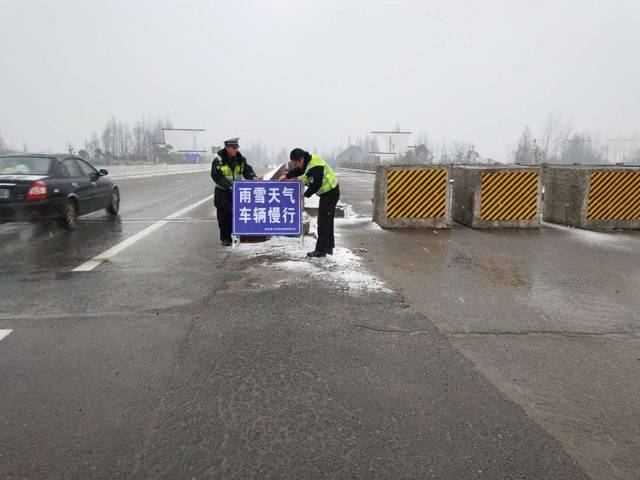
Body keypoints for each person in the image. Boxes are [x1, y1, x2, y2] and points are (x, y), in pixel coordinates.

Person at [280, 148, 339, 258]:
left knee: (323, 222)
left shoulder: (315, 166)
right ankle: (328, 247)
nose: (296, 164)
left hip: (330, 193)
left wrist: (306, 194)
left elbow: (316, 184)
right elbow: (300, 170)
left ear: (301, 159)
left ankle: (321, 251)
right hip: (329, 193)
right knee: (327, 221)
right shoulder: (308, 162)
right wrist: (287, 175)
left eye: (296, 162)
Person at [211, 137, 259, 246]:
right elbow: (216, 176)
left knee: (236, 215)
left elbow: (247, 170)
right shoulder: (218, 160)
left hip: (237, 192)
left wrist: (253, 177)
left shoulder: (240, 159)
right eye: (233, 148)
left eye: (237, 147)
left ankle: (236, 235)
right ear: (227, 147)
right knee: (223, 217)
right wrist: (229, 185)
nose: (235, 150)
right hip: (222, 191)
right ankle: (225, 238)